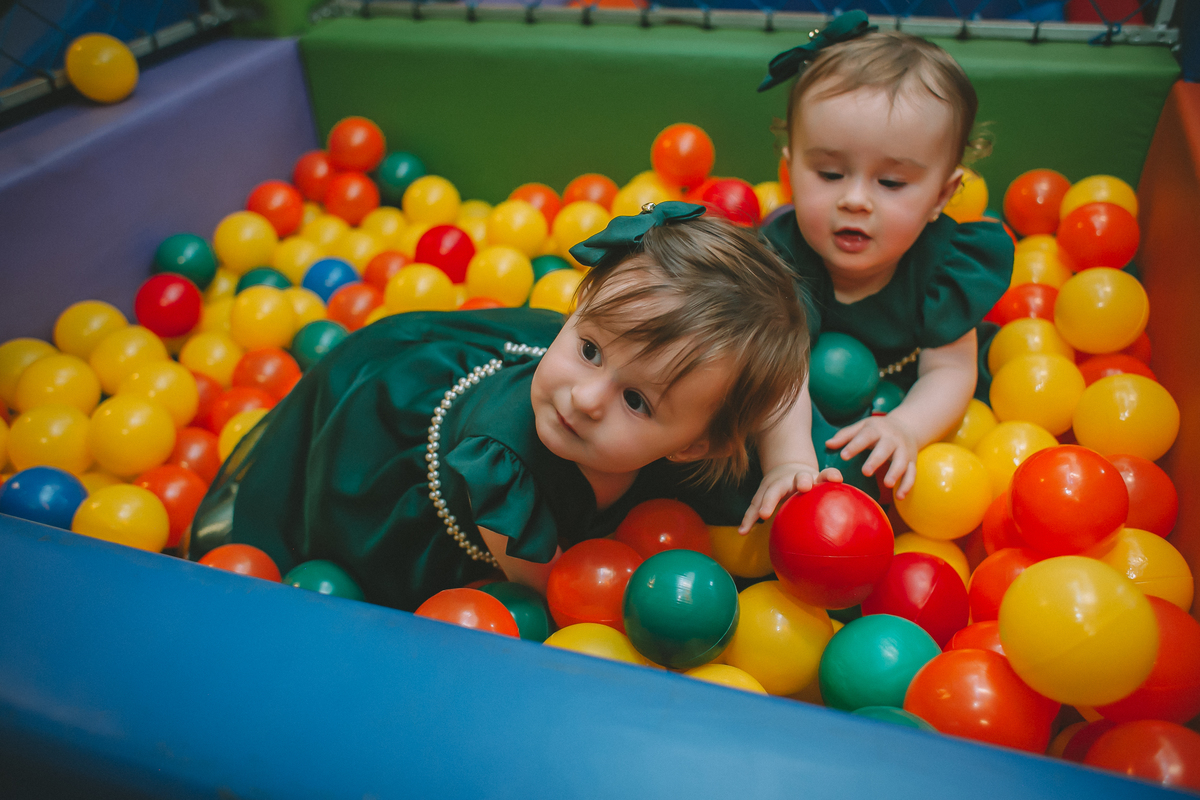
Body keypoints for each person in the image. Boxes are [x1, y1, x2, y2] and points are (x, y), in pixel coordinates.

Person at [188, 202, 814, 611]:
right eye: (588, 347)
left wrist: (792, 458)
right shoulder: (505, 468)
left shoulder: (696, 386)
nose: (585, 399)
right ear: (577, 312)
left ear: (696, 444)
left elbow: (783, 380)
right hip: (395, 432)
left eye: (635, 400)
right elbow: (561, 595)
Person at [744, 11, 1014, 527]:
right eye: (829, 173)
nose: (855, 200)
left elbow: (950, 370)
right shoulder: (780, 261)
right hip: (798, 408)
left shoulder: (947, 267)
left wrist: (906, 428)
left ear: (942, 195)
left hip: (915, 401)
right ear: (789, 169)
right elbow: (779, 371)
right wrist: (790, 461)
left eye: (890, 183)